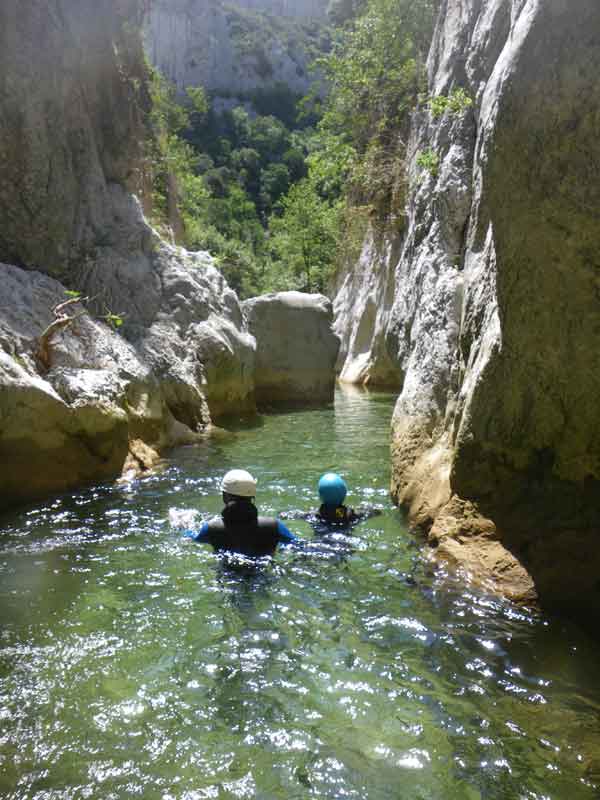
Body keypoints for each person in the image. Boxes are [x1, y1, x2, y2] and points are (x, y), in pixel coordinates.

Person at [184, 469, 298, 558]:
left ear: (225, 496)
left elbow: (193, 538)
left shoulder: (211, 528)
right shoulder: (274, 526)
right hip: (263, 577)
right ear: (252, 497)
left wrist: (185, 527)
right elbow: (299, 545)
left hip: (227, 578)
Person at [282, 473, 382, 530]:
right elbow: (376, 512)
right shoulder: (352, 515)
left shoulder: (314, 515)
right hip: (343, 546)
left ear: (321, 496)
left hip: (320, 545)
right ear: (344, 493)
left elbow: (285, 515)